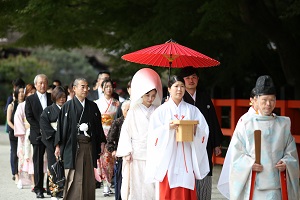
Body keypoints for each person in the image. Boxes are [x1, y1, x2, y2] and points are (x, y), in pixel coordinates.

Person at [223, 75, 299, 199]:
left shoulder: (283, 124)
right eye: (264, 100)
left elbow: (291, 152)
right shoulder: (246, 123)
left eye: (272, 100)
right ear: (256, 100)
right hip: (254, 183)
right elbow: (236, 155)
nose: (268, 104)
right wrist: (249, 164)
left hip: (277, 184)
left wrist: (286, 162)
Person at [145, 75, 210, 200]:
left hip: (186, 155)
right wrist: (167, 128)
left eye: (182, 86)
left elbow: (204, 132)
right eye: (176, 86)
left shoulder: (193, 110)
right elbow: (153, 135)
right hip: (168, 158)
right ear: (169, 89)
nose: (179, 89)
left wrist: (196, 130)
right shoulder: (161, 111)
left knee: (186, 188)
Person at [54, 78, 107, 200]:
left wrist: (102, 142)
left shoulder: (93, 106)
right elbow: (61, 128)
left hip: (88, 146)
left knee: (88, 177)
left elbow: (98, 126)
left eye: (87, 86)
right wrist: (57, 146)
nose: (86, 89)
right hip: (72, 146)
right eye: (82, 86)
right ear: (74, 88)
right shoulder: (67, 107)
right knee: (74, 177)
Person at [117, 68, 163, 200]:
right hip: (136, 153)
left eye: (153, 95)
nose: (150, 98)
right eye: (147, 95)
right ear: (142, 95)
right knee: (136, 184)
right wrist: (126, 151)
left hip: (154, 152)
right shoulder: (133, 110)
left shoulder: (158, 111)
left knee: (152, 186)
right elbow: (126, 132)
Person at [179, 67, 223, 200]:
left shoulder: (204, 97)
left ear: (198, 79)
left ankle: (204, 196)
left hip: (204, 143)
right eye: (187, 78)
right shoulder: (178, 99)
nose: (191, 80)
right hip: (185, 143)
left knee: (204, 170)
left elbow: (213, 120)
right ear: (182, 81)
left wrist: (216, 143)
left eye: (194, 77)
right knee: (186, 171)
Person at [25, 74, 52, 198]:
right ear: (35, 85)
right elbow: (29, 117)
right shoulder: (30, 99)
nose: (43, 85)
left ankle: (51, 187)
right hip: (37, 135)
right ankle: (38, 188)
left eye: (45, 83)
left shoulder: (51, 97)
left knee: (52, 161)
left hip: (51, 135)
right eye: (40, 83)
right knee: (38, 162)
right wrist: (41, 129)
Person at [40, 86, 68, 200]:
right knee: (53, 166)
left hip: (66, 142)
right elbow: (45, 126)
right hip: (52, 143)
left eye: (64, 97)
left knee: (65, 166)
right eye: (59, 97)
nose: (62, 99)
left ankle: (65, 189)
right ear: (54, 97)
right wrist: (56, 141)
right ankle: (54, 191)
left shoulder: (68, 109)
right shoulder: (47, 111)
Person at [94, 78, 120, 196]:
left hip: (112, 134)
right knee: (102, 161)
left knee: (111, 160)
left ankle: (109, 183)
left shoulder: (117, 103)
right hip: (101, 134)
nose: (109, 89)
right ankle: (105, 185)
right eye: (106, 87)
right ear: (103, 89)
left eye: (110, 87)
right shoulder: (97, 103)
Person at [106, 99, 131, 200]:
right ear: (122, 110)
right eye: (127, 110)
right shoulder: (117, 122)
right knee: (121, 182)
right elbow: (110, 141)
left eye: (131, 110)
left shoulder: (135, 122)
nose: (129, 112)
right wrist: (114, 151)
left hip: (133, 156)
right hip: (121, 156)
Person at [14, 84, 36, 189]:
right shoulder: (21, 106)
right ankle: (23, 180)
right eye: (30, 92)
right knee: (25, 158)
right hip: (25, 135)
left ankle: (36, 181)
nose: (32, 94)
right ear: (27, 94)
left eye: (34, 92)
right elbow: (18, 120)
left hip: (35, 133)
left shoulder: (37, 104)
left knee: (36, 157)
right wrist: (24, 130)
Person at [6, 85, 25, 185]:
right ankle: (16, 175)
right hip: (14, 133)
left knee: (23, 153)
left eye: (23, 92)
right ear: (16, 94)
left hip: (25, 134)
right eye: (20, 92)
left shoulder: (27, 104)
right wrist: (16, 129)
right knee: (14, 153)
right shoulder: (12, 105)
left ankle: (23, 174)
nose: (21, 94)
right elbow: (8, 121)